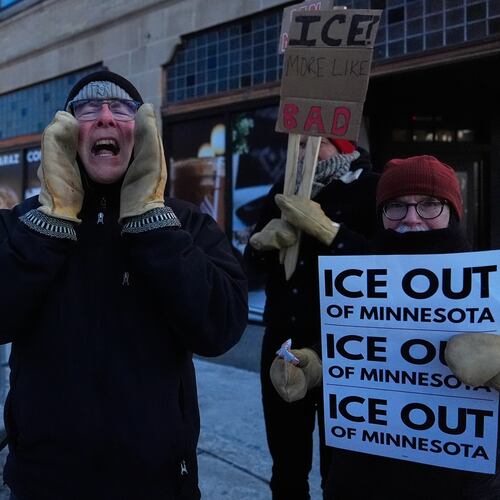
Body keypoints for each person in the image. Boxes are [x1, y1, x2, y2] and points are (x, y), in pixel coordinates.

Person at [0, 70, 248, 500]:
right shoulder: (21, 223)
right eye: (88, 108)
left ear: (145, 132)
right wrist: (51, 221)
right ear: (65, 133)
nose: (106, 118)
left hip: (157, 482)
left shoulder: (187, 222)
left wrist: (152, 222)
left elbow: (220, 325)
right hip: (43, 480)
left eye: (123, 109)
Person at [270, 155, 500, 499]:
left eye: (429, 205)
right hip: (358, 481)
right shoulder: (359, 278)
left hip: (459, 487)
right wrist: (313, 365)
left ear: (453, 211)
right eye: (396, 207)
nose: (411, 218)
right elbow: (355, 347)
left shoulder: (488, 287)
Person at [244, 137, 379, 499]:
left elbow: (386, 265)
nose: (302, 152)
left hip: (347, 347)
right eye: (297, 144)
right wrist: (259, 246)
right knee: (287, 463)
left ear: (339, 144)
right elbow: (249, 272)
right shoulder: (280, 189)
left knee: (343, 466)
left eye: (313, 143)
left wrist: (330, 233)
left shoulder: (369, 187)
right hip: (283, 342)